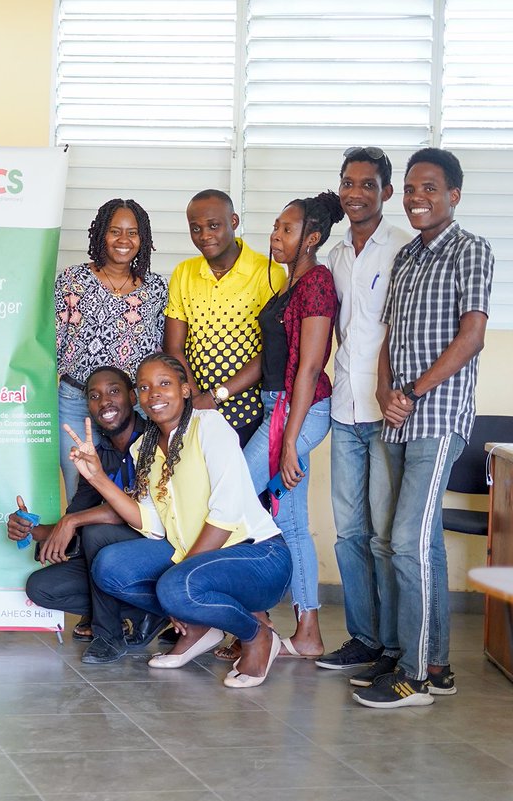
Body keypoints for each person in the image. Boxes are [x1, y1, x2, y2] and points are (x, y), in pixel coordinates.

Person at [353, 148, 493, 708]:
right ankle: (434, 664)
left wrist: (412, 392)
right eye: (411, 188)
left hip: (436, 416)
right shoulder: (408, 256)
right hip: (398, 415)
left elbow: (472, 336)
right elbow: (389, 338)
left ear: (454, 194)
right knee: (399, 541)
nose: (416, 198)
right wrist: (387, 391)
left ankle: (413, 676)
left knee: (408, 541)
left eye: (430, 188)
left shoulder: (471, 250)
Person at [81, 353, 291, 688]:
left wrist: (178, 586)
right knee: (110, 567)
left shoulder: (209, 426)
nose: (155, 394)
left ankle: (257, 635)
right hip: (194, 558)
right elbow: (152, 523)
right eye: (146, 387)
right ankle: (200, 625)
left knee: (175, 587)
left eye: (164, 383)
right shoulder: (145, 448)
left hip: (259, 557)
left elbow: (226, 513)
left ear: (185, 389)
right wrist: (98, 479)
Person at [317, 147, 410, 674]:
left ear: (386, 192)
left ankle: (394, 647)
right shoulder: (334, 255)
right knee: (348, 533)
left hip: (384, 414)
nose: (355, 193)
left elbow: (401, 332)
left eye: (368, 184)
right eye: (348, 183)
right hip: (343, 411)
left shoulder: (401, 249)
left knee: (382, 537)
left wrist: (393, 389)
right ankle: (363, 639)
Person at [240, 192, 342, 659]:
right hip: (277, 407)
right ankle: (308, 633)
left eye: (286, 229)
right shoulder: (287, 284)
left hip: (299, 411)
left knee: (234, 496)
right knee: (293, 522)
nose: (275, 236)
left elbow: (308, 368)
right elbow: (272, 359)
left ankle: (244, 621)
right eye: (276, 227)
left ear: (312, 238)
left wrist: (286, 445)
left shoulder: (317, 282)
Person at [8, 366, 167, 664]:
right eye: (94, 396)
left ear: (132, 396)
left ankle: (108, 635)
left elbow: (150, 512)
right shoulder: (96, 453)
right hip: (116, 561)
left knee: (97, 533)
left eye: (114, 391)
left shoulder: (155, 439)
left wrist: (74, 521)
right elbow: (75, 520)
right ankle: (150, 610)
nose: (104, 401)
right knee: (42, 588)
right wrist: (30, 528)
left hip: (161, 550)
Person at [55, 198, 165, 500]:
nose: (123, 240)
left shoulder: (156, 288)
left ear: (143, 239)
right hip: (77, 401)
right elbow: (52, 344)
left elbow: (161, 350)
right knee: (80, 487)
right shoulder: (72, 280)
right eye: (115, 231)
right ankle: (79, 547)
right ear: (101, 234)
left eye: (132, 233)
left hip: (134, 403)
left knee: (138, 488)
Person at [164, 190, 286, 447]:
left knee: (245, 485)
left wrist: (216, 396)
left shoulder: (268, 274)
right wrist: (197, 399)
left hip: (248, 412)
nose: (205, 235)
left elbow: (270, 351)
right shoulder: (184, 273)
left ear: (233, 222)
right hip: (195, 410)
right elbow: (174, 347)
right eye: (195, 228)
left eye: (213, 225)